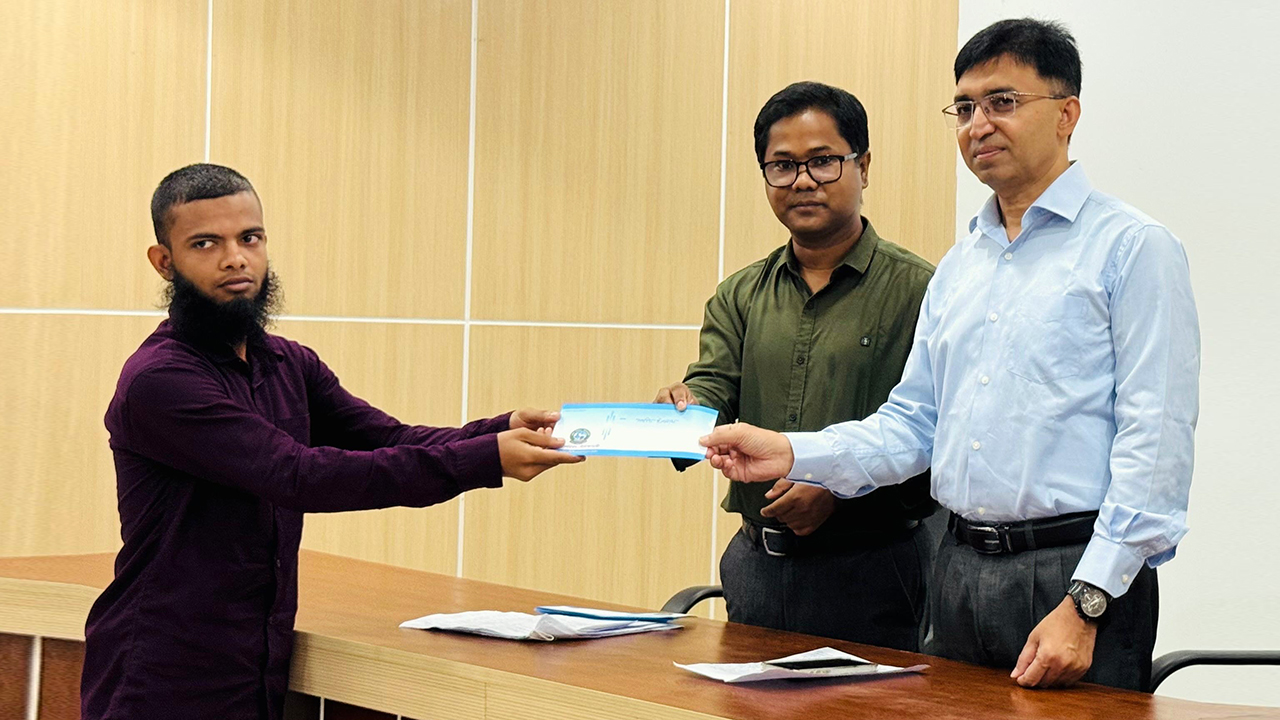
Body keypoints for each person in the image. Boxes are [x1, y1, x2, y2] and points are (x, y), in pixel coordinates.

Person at [700, 19, 1198, 691]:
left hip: (1072, 573)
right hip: (957, 569)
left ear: (1067, 114)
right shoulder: (962, 266)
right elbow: (913, 426)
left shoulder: (1133, 248)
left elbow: (1156, 443)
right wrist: (790, 452)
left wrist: (1089, 601)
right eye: (964, 108)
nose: (978, 124)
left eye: (1003, 102)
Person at [81, 164, 584, 720]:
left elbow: (388, 439)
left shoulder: (287, 363)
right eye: (206, 244)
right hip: (161, 676)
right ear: (164, 261)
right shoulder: (161, 380)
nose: (235, 258)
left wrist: (499, 428)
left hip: (254, 669)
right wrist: (486, 459)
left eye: (250, 237)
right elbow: (298, 476)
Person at [655, 82, 935, 649]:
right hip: (756, 563)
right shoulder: (740, 293)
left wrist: (841, 491)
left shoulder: (922, 290)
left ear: (863, 166)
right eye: (782, 166)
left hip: (875, 570)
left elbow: (941, 434)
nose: (802, 181)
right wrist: (683, 408)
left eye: (823, 161)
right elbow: (713, 387)